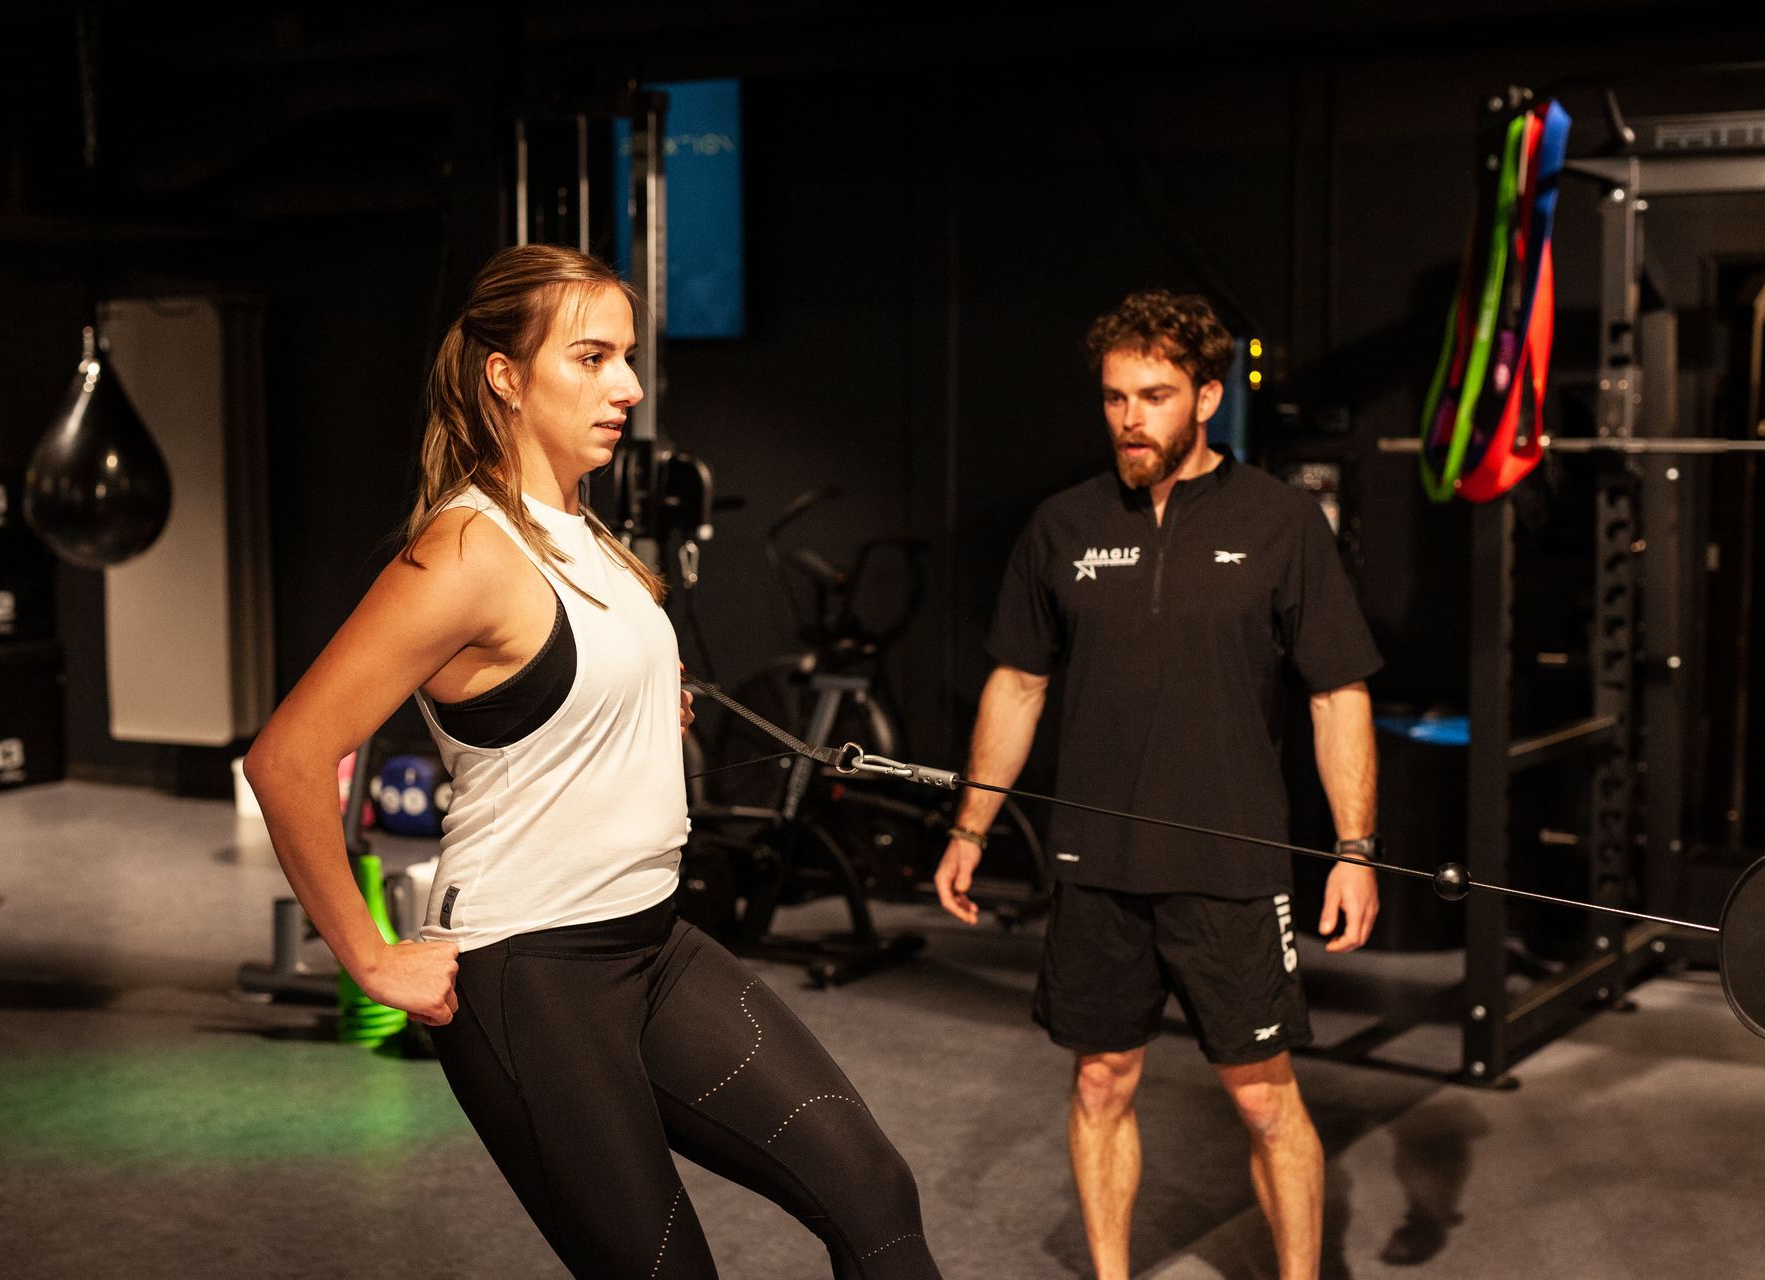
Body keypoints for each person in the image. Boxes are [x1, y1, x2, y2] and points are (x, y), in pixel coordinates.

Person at [245, 244, 942, 1280]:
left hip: (653, 944)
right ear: (505, 374)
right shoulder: (465, 551)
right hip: (530, 976)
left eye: (627, 356)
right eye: (592, 356)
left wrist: (637, 707)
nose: (628, 385)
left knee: (875, 1194)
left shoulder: (594, 534)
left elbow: (558, 691)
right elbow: (288, 756)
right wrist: (372, 957)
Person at [933, 290, 1382, 1280]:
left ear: (1208, 397)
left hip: (1232, 858)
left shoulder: (1279, 520)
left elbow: (1337, 692)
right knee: (1100, 1079)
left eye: (1156, 394)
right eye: (1114, 397)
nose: (1132, 417)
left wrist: (1353, 849)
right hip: (1098, 862)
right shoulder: (1063, 526)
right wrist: (971, 825)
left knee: (1265, 1097)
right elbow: (1018, 682)